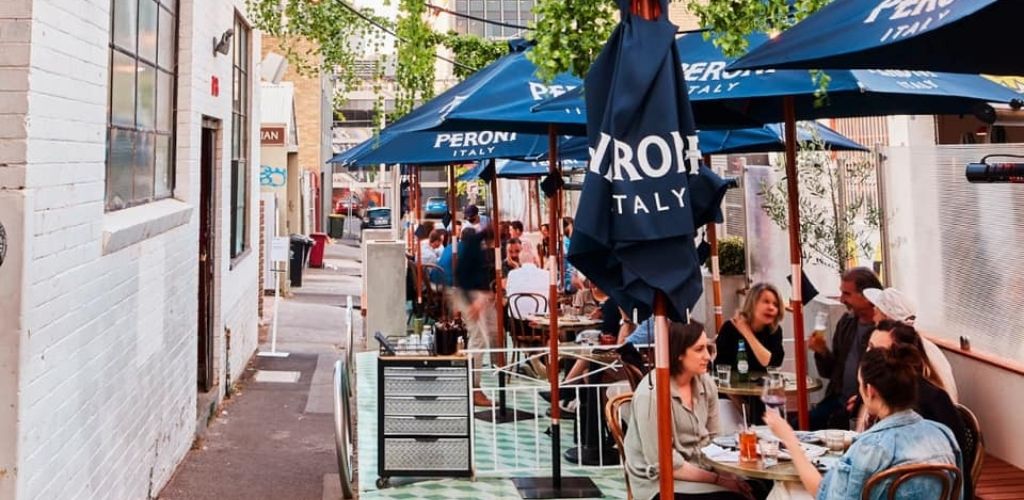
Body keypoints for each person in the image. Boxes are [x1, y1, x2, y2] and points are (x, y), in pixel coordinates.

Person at [764, 345, 962, 500]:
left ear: (870, 391)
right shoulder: (943, 434)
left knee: (784, 489)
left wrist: (789, 440)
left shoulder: (871, 449)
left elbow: (825, 496)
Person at [623, 321, 756, 500]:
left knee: (760, 488)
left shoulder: (705, 382)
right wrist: (719, 480)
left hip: (702, 470)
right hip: (660, 483)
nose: (708, 356)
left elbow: (716, 440)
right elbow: (663, 463)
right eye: (699, 349)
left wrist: (732, 477)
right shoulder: (652, 395)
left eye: (708, 348)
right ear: (678, 353)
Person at [866, 321, 973, 498]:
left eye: (877, 352)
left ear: (901, 356)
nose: (868, 356)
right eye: (869, 348)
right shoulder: (883, 394)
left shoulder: (926, 403)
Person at [808, 267, 882, 430]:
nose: (841, 300)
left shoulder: (883, 332)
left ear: (867, 297)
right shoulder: (847, 323)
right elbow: (830, 372)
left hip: (864, 406)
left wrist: (862, 401)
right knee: (799, 425)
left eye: (846, 294)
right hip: (837, 399)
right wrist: (822, 351)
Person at [862, 287, 958, 402]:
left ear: (886, 319)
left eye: (876, 311)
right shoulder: (931, 349)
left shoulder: (890, 355)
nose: (873, 318)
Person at [451, 227, 497, 407]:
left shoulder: (473, 245)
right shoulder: (475, 248)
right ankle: (474, 388)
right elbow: (463, 276)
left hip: (469, 295)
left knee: (481, 339)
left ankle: (472, 385)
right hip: (469, 295)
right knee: (478, 341)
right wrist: (474, 301)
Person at [714, 283, 785, 374]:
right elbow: (722, 367)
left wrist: (746, 332)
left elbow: (771, 364)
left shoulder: (774, 331)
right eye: (766, 302)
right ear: (752, 303)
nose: (771, 308)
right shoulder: (730, 328)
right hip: (732, 385)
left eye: (775, 304)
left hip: (764, 386)